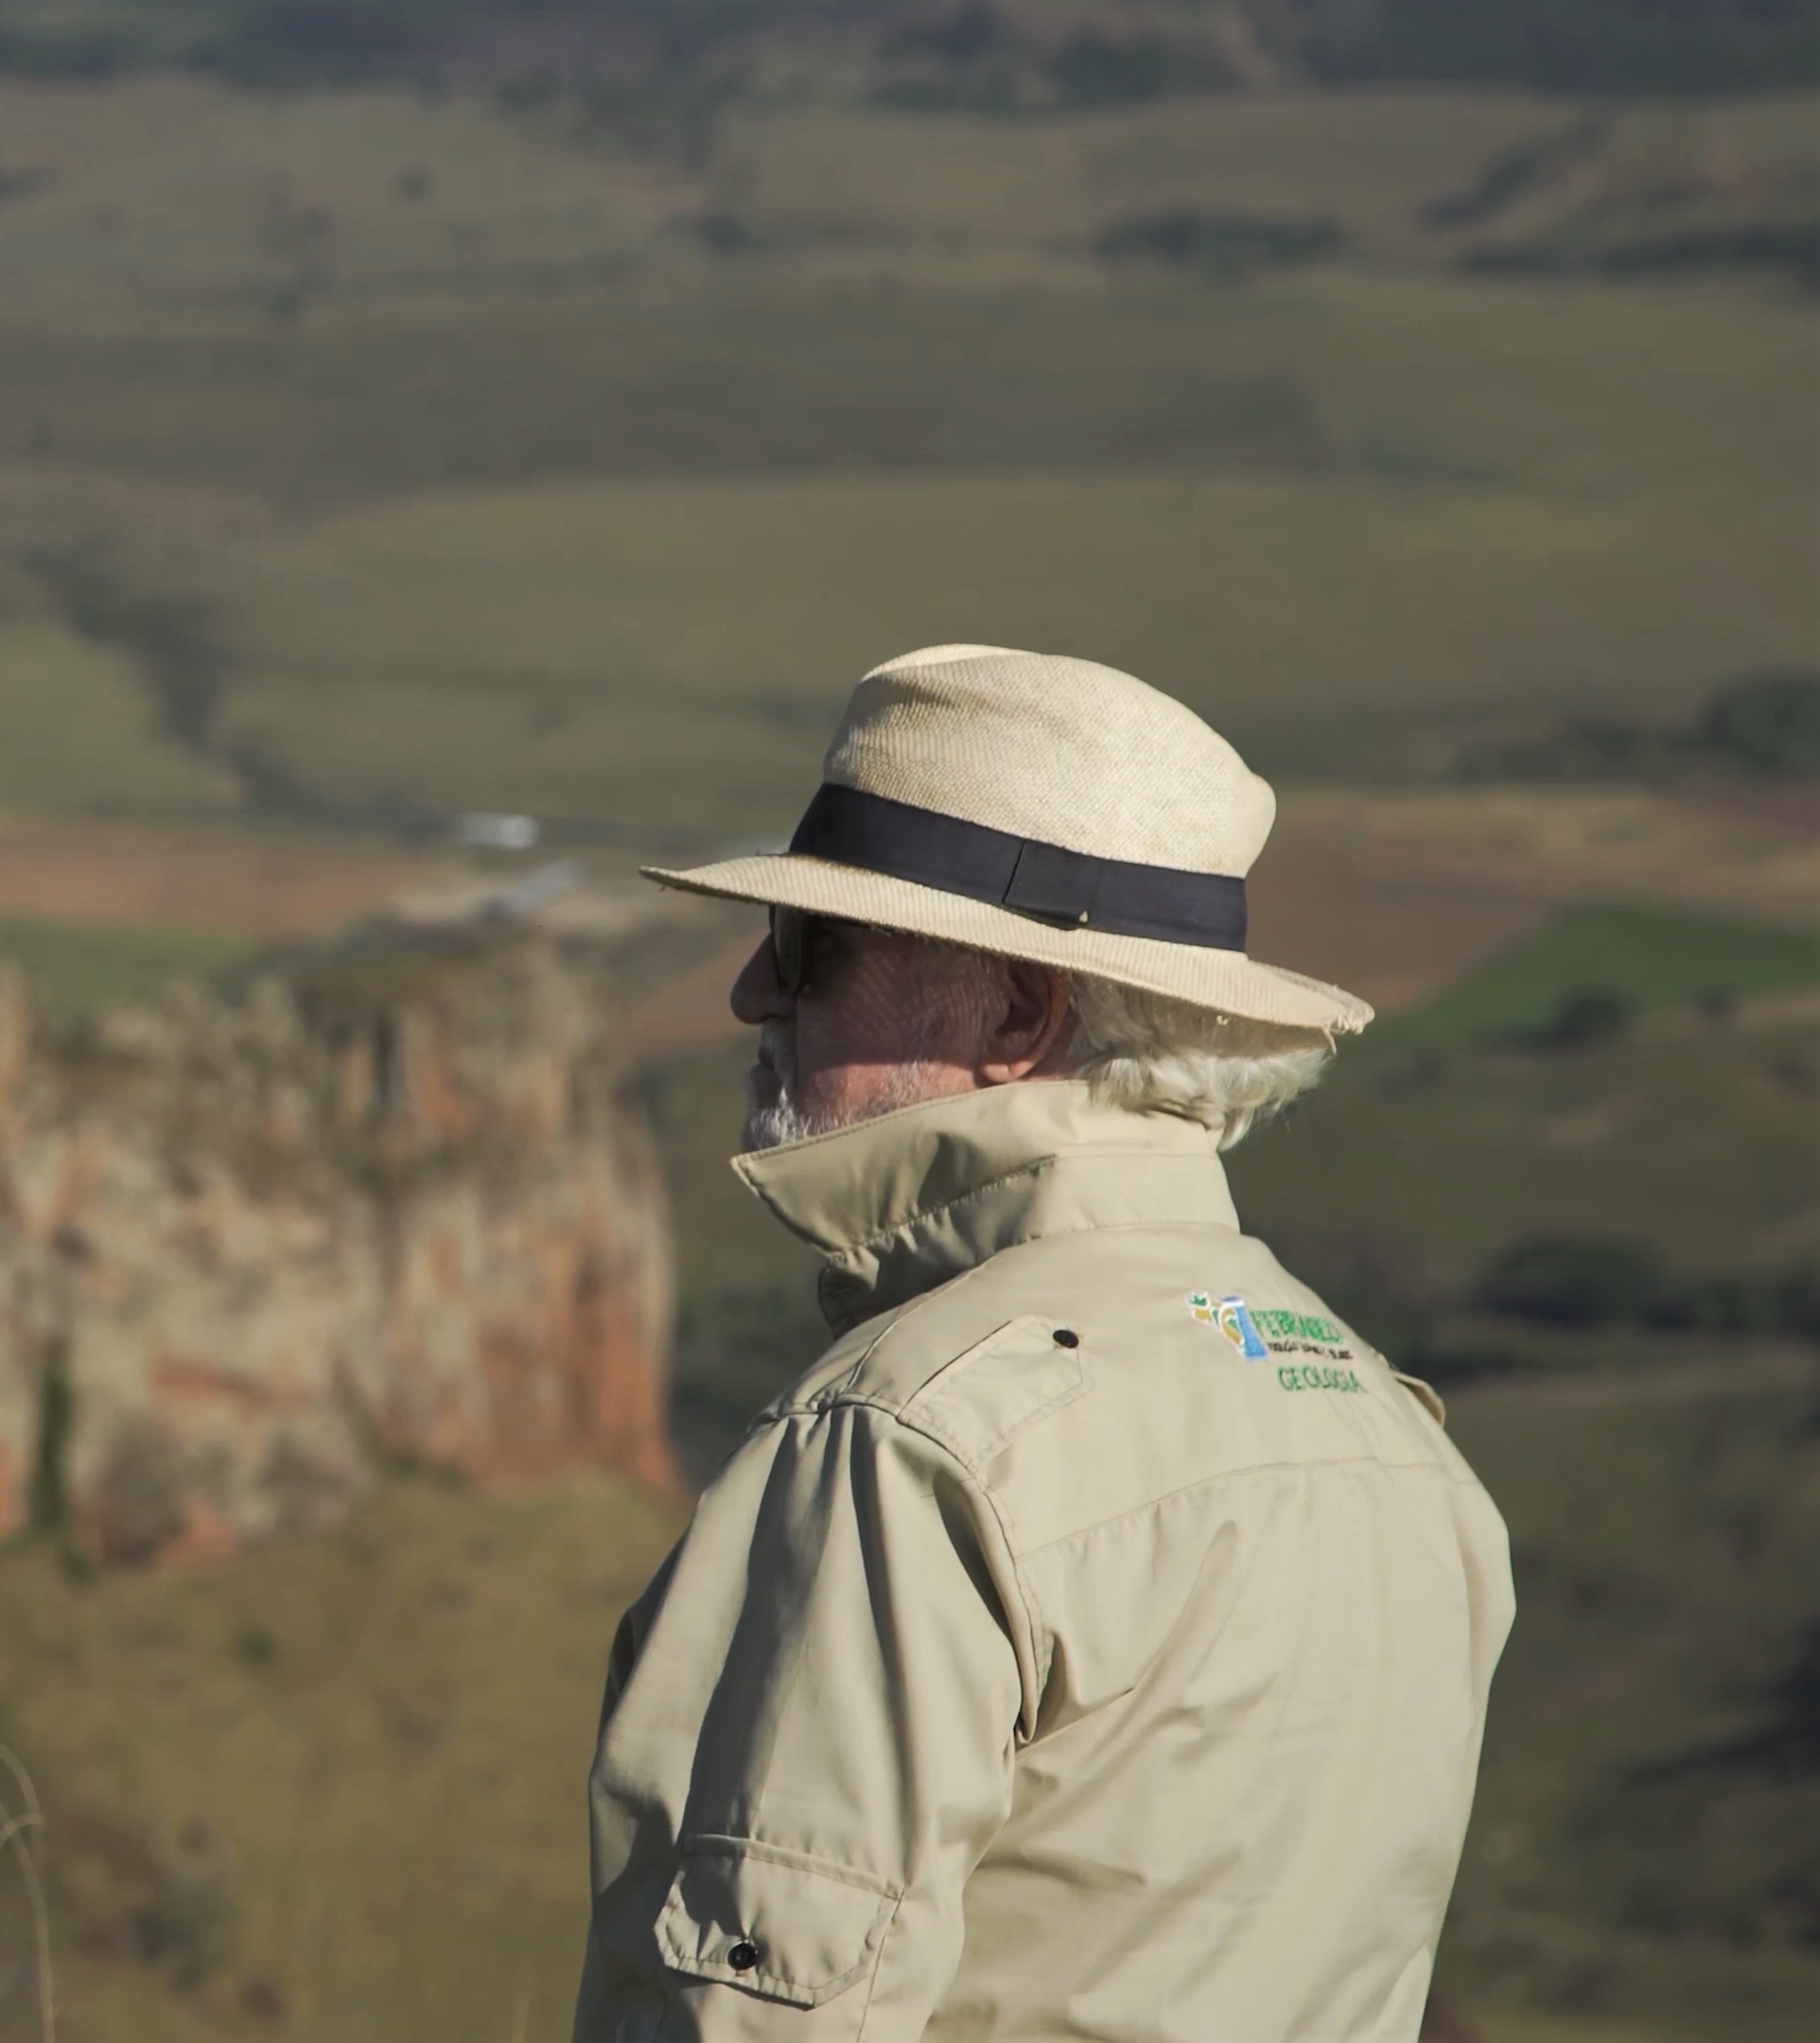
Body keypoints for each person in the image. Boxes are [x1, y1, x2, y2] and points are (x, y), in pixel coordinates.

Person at [571, 646, 1514, 2040]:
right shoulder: (1398, 1444)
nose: (753, 1001)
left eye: (809, 949)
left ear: (1020, 1014)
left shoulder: (907, 1442)